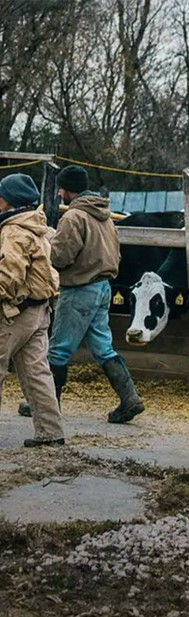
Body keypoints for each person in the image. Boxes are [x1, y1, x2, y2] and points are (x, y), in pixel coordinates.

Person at [20, 164, 144, 423]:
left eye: (61, 189)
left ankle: (45, 406)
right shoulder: (105, 216)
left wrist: (48, 245)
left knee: (58, 350)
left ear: (68, 189)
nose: (58, 195)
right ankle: (130, 398)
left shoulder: (74, 217)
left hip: (79, 290)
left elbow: (61, 256)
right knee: (103, 347)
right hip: (103, 288)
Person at [0, 174, 66, 446]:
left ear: (8, 201)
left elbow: (8, 276)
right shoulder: (39, 228)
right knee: (37, 373)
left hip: (13, 314)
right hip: (40, 312)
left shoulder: (13, 231)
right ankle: (51, 432)